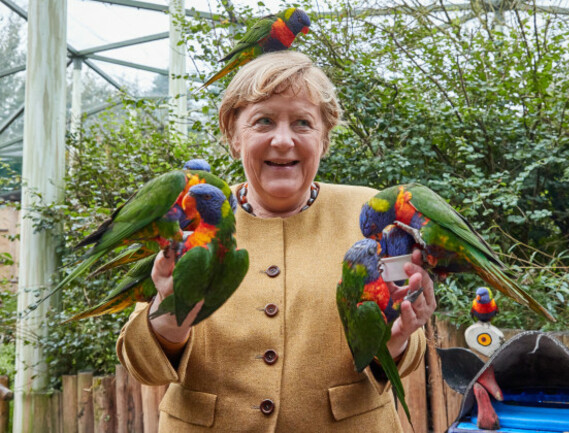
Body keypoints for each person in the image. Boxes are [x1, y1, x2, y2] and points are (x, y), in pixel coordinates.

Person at [117, 51, 437, 432]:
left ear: (324, 139)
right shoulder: (191, 213)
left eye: (303, 123)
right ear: (233, 137)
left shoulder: (373, 218)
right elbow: (139, 362)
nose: (283, 140)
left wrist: (396, 340)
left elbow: (405, 348)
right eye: (263, 121)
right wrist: (170, 315)